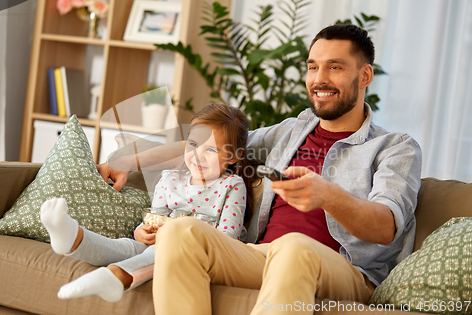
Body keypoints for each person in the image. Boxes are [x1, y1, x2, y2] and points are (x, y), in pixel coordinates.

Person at [132, 24, 420, 314]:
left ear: (365, 76)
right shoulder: (291, 131)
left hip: (346, 271)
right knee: (180, 232)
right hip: (262, 254)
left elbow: (386, 226)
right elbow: (214, 146)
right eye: (312, 67)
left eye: (334, 67)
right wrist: (128, 161)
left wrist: (328, 196)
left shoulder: (394, 147)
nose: (319, 79)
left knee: (294, 246)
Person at [39, 103, 254, 302]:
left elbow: (227, 240)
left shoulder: (232, 186)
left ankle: (115, 276)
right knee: (126, 247)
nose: (198, 156)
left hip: (198, 252)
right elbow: (155, 217)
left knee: (159, 251)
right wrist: (141, 231)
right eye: (194, 145)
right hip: (156, 244)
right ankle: (72, 239)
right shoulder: (170, 179)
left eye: (211, 150)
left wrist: (176, 234)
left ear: (234, 156)